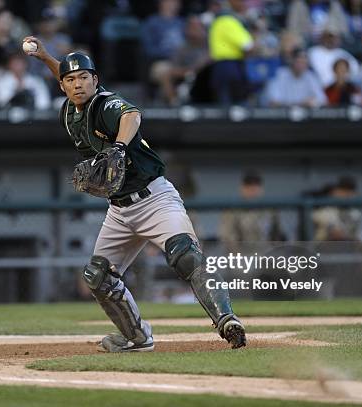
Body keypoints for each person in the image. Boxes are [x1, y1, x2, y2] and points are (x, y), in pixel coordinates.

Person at [23, 36, 247, 352]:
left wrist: (117, 146)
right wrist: (46, 56)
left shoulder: (104, 104)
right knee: (98, 277)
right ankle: (137, 338)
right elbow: (63, 71)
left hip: (154, 198)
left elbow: (132, 115)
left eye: (84, 78)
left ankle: (227, 321)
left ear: (95, 80)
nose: (77, 85)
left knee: (186, 256)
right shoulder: (69, 112)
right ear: (63, 86)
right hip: (119, 209)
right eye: (71, 80)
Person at [219, 172, 285, 253]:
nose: (252, 189)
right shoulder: (232, 210)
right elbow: (228, 239)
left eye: (256, 185)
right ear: (242, 188)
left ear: (261, 188)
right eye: (248, 185)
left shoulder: (270, 210)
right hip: (241, 259)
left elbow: (277, 237)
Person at [208, 0, 254, 104]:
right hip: (231, 67)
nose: (243, 4)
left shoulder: (216, 22)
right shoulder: (228, 21)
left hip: (218, 67)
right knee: (237, 109)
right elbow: (248, 45)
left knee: (223, 109)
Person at [313, 176, 362, 241]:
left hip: (343, 247)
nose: (347, 194)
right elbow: (336, 235)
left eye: (350, 191)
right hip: (320, 248)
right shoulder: (321, 212)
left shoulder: (354, 213)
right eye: (343, 190)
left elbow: (358, 239)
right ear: (333, 192)